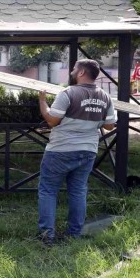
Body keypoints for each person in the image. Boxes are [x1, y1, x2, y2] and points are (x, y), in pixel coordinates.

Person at [37, 59, 117, 246]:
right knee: (78, 191)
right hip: (87, 151)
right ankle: (74, 234)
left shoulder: (68, 93)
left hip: (61, 150)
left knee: (48, 191)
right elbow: (110, 124)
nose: (72, 71)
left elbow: (51, 121)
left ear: (81, 72)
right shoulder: (105, 97)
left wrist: (42, 101)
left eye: (74, 69)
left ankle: (47, 235)